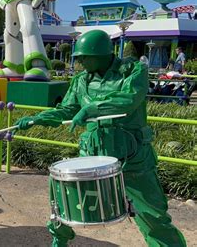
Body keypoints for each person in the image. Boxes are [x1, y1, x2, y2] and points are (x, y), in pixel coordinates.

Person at [14, 30, 186, 247]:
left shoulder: (133, 70)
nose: (81, 62)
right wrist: (38, 118)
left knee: (153, 215)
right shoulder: (80, 81)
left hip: (133, 158)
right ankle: (59, 242)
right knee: (64, 205)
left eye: (84, 57)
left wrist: (91, 109)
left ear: (101, 53)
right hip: (93, 155)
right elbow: (66, 110)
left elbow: (129, 98)